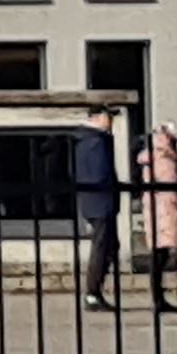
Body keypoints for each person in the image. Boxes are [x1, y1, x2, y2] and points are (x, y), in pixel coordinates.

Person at [72, 118, 121, 309]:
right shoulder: (96, 141)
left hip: (94, 201)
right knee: (102, 247)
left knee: (108, 246)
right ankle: (92, 294)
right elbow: (100, 173)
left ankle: (94, 292)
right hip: (100, 202)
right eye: (108, 117)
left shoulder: (86, 140)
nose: (110, 121)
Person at [141, 122, 177, 310]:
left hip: (154, 210)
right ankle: (161, 298)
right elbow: (172, 190)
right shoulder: (165, 161)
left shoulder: (152, 158)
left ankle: (158, 297)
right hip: (165, 212)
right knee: (164, 255)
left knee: (158, 254)